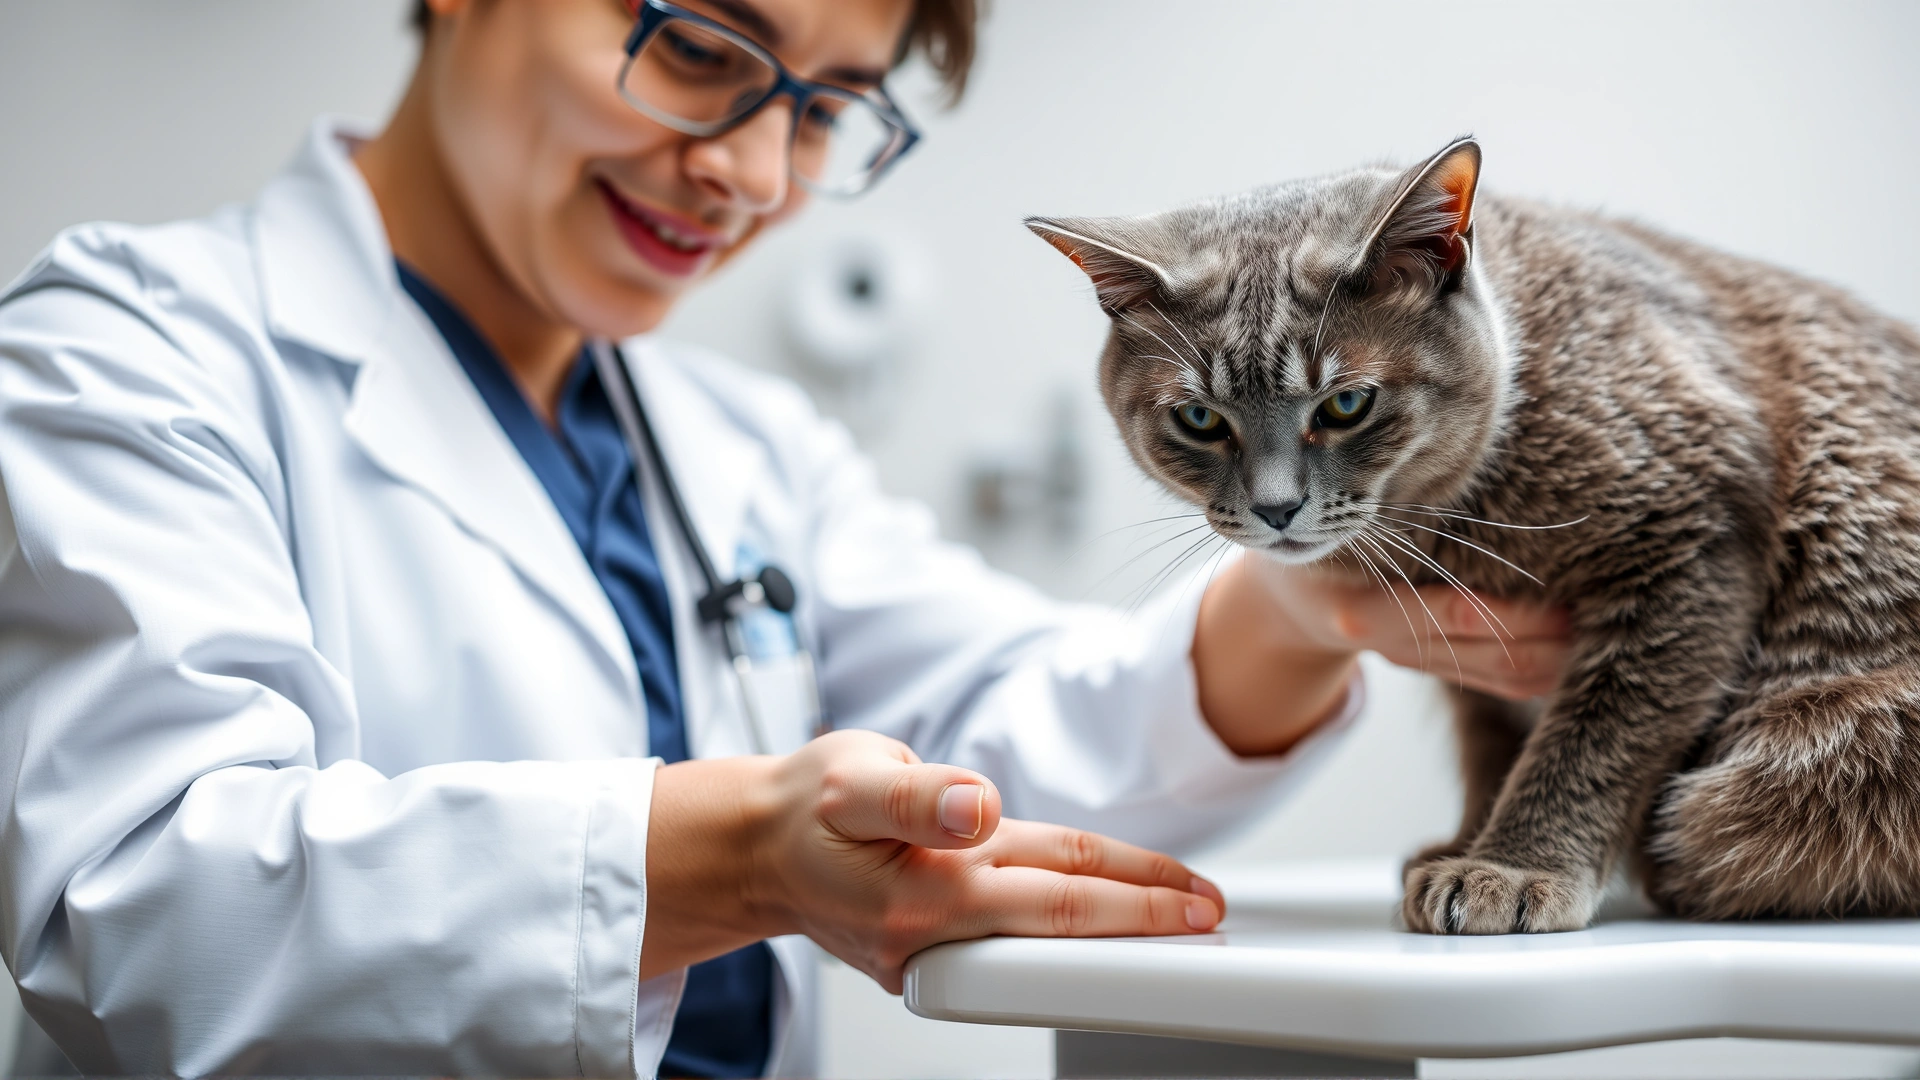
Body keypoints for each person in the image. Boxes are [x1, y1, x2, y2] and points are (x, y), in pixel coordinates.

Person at [0, 0, 1570, 1075]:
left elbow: (1015, 753)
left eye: (827, 112)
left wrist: (1305, 609)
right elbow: (137, 912)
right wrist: (738, 858)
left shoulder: (739, 448)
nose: (753, 174)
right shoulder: (130, 352)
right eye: (699, 49)